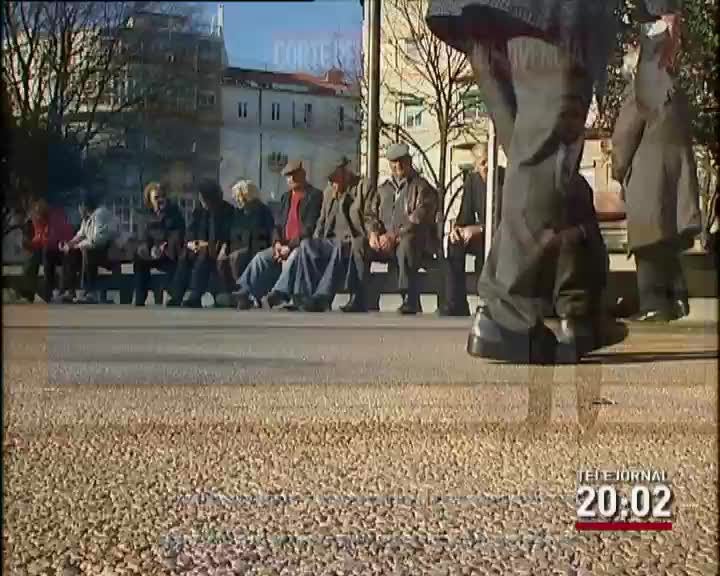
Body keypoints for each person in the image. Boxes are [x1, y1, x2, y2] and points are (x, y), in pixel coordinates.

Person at [425, 0, 682, 363]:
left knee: (545, 166)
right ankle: (506, 315)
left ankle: (579, 306)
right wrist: (663, 8)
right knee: (546, 158)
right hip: (548, 13)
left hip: (481, 16)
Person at [611, 23, 701, 322]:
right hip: (676, 178)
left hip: (649, 179)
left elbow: (624, 135)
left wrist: (618, 170)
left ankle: (654, 304)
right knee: (667, 241)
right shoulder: (673, 89)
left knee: (648, 243)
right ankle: (677, 297)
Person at [342, 143, 439, 315]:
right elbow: (370, 214)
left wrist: (394, 236)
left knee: (406, 244)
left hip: (413, 244)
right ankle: (357, 296)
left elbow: (419, 219)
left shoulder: (422, 187)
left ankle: (409, 298)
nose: (398, 165)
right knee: (359, 244)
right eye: (394, 162)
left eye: (401, 161)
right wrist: (373, 233)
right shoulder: (383, 189)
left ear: (409, 161)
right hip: (384, 242)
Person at [267, 158, 365, 312]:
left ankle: (323, 297)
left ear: (344, 173)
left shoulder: (360, 188)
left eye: (334, 179)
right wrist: (314, 240)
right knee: (306, 245)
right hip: (329, 240)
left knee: (339, 246)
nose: (331, 184)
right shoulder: (329, 192)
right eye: (329, 180)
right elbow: (321, 221)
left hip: (350, 239)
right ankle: (300, 295)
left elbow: (366, 217)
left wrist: (371, 232)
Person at [234, 160, 323, 310]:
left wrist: (290, 247)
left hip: (301, 245)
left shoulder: (314, 196)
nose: (291, 179)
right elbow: (277, 225)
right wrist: (276, 244)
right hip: (283, 244)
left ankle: (278, 294)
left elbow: (309, 227)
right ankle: (245, 292)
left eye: (294, 175)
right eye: (288, 176)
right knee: (261, 258)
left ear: (303, 174)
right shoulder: (285, 197)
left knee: (294, 256)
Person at [167, 179, 235, 308]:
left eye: (205, 199)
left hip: (218, 249)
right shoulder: (199, 211)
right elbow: (190, 231)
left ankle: (195, 296)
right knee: (184, 256)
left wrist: (207, 245)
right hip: (199, 247)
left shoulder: (228, 211)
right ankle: (177, 295)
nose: (203, 202)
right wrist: (192, 243)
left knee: (203, 257)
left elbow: (227, 236)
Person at [440, 144, 488, 316]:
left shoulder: (503, 179)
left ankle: (488, 303)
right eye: (483, 163)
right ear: (475, 166)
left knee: (488, 249)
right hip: (480, 235)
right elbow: (465, 216)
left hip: (499, 235)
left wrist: (480, 229)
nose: (487, 167)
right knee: (454, 244)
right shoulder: (472, 181)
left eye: (489, 162)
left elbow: (506, 218)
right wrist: (457, 230)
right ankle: (456, 303)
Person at [214, 180, 275, 308]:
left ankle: (244, 293)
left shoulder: (262, 211)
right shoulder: (238, 212)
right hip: (238, 246)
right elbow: (229, 232)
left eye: (238, 196)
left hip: (257, 246)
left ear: (246, 195)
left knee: (237, 257)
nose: (235, 199)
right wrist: (225, 248)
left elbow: (266, 233)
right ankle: (231, 292)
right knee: (222, 259)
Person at [58, 192, 119, 304]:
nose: (78, 210)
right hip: (96, 251)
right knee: (71, 252)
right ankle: (69, 291)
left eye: (79, 207)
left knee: (87, 251)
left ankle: (90, 292)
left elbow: (98, 240)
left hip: (109, 252)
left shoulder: (99, 214)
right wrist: (69, 245)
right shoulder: (86, 219)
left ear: (84, 206)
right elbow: (80, 235)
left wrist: (78, 246)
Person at [133, 182, 185, 307]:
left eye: (162, 196)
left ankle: (174, 295)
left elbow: (178, 233)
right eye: (156, 197)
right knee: (139, 258)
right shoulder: (143, 213)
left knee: (178, 258)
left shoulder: (173, 212)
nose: (160, 200)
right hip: (150, 251)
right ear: (150, 200)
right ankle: (140, 297)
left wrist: (163, 246)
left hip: (168, 251)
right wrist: (147, 247)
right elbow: (142, 234)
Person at [14, 198, 74, 303]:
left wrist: (37, 242)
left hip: (61, 247)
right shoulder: (36, 218)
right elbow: (39, 236)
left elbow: (55, 237)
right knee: (33, 260)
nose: (37, 217)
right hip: (46, 248)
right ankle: (31, 293)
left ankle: (62, 292)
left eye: (39, 214)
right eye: (36, 214)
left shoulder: (56, 215)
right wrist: (29, 244)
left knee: (56, 257)